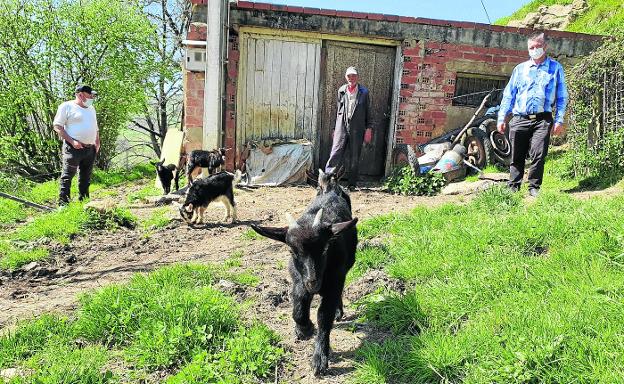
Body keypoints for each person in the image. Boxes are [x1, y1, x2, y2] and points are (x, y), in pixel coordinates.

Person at [497, 32, 568, 197]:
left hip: (542, 119)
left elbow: (562, 96)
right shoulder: (520, 69)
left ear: (545, 47)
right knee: (516, 154)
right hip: (519, 118)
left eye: (538, 46)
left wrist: (559, 120)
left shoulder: (555, 68)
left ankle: (534, 187)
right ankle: (513, 186)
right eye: (531, 47)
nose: (534, 49)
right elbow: (509, 95)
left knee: (538, 154)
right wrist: (502, 118)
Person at [325, 66, 373, 190]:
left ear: (357, 77)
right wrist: (335, 129)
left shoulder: (364, 92)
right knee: (335, 152)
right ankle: (328, 181)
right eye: (349, 76)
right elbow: (338, 111)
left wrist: (368, 129)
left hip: (357, 127)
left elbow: (368, 111)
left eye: (354, 75)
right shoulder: (341, 90)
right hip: (342, 125)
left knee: (354, 155)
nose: (351, 78)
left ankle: (352, 184)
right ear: (346, 77)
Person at [53, 85, 100, 205]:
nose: (92, 97)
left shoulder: (91, 108)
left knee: (85, 177)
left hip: (90, 148)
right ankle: (63, 203)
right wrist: (72, 141)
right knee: (68, 175)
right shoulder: (67, 106)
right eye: (90, 95)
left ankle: (84, 202)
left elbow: (95, 127)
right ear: (80, 95)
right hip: (73, 148)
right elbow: (57, 126)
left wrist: (97, 141)